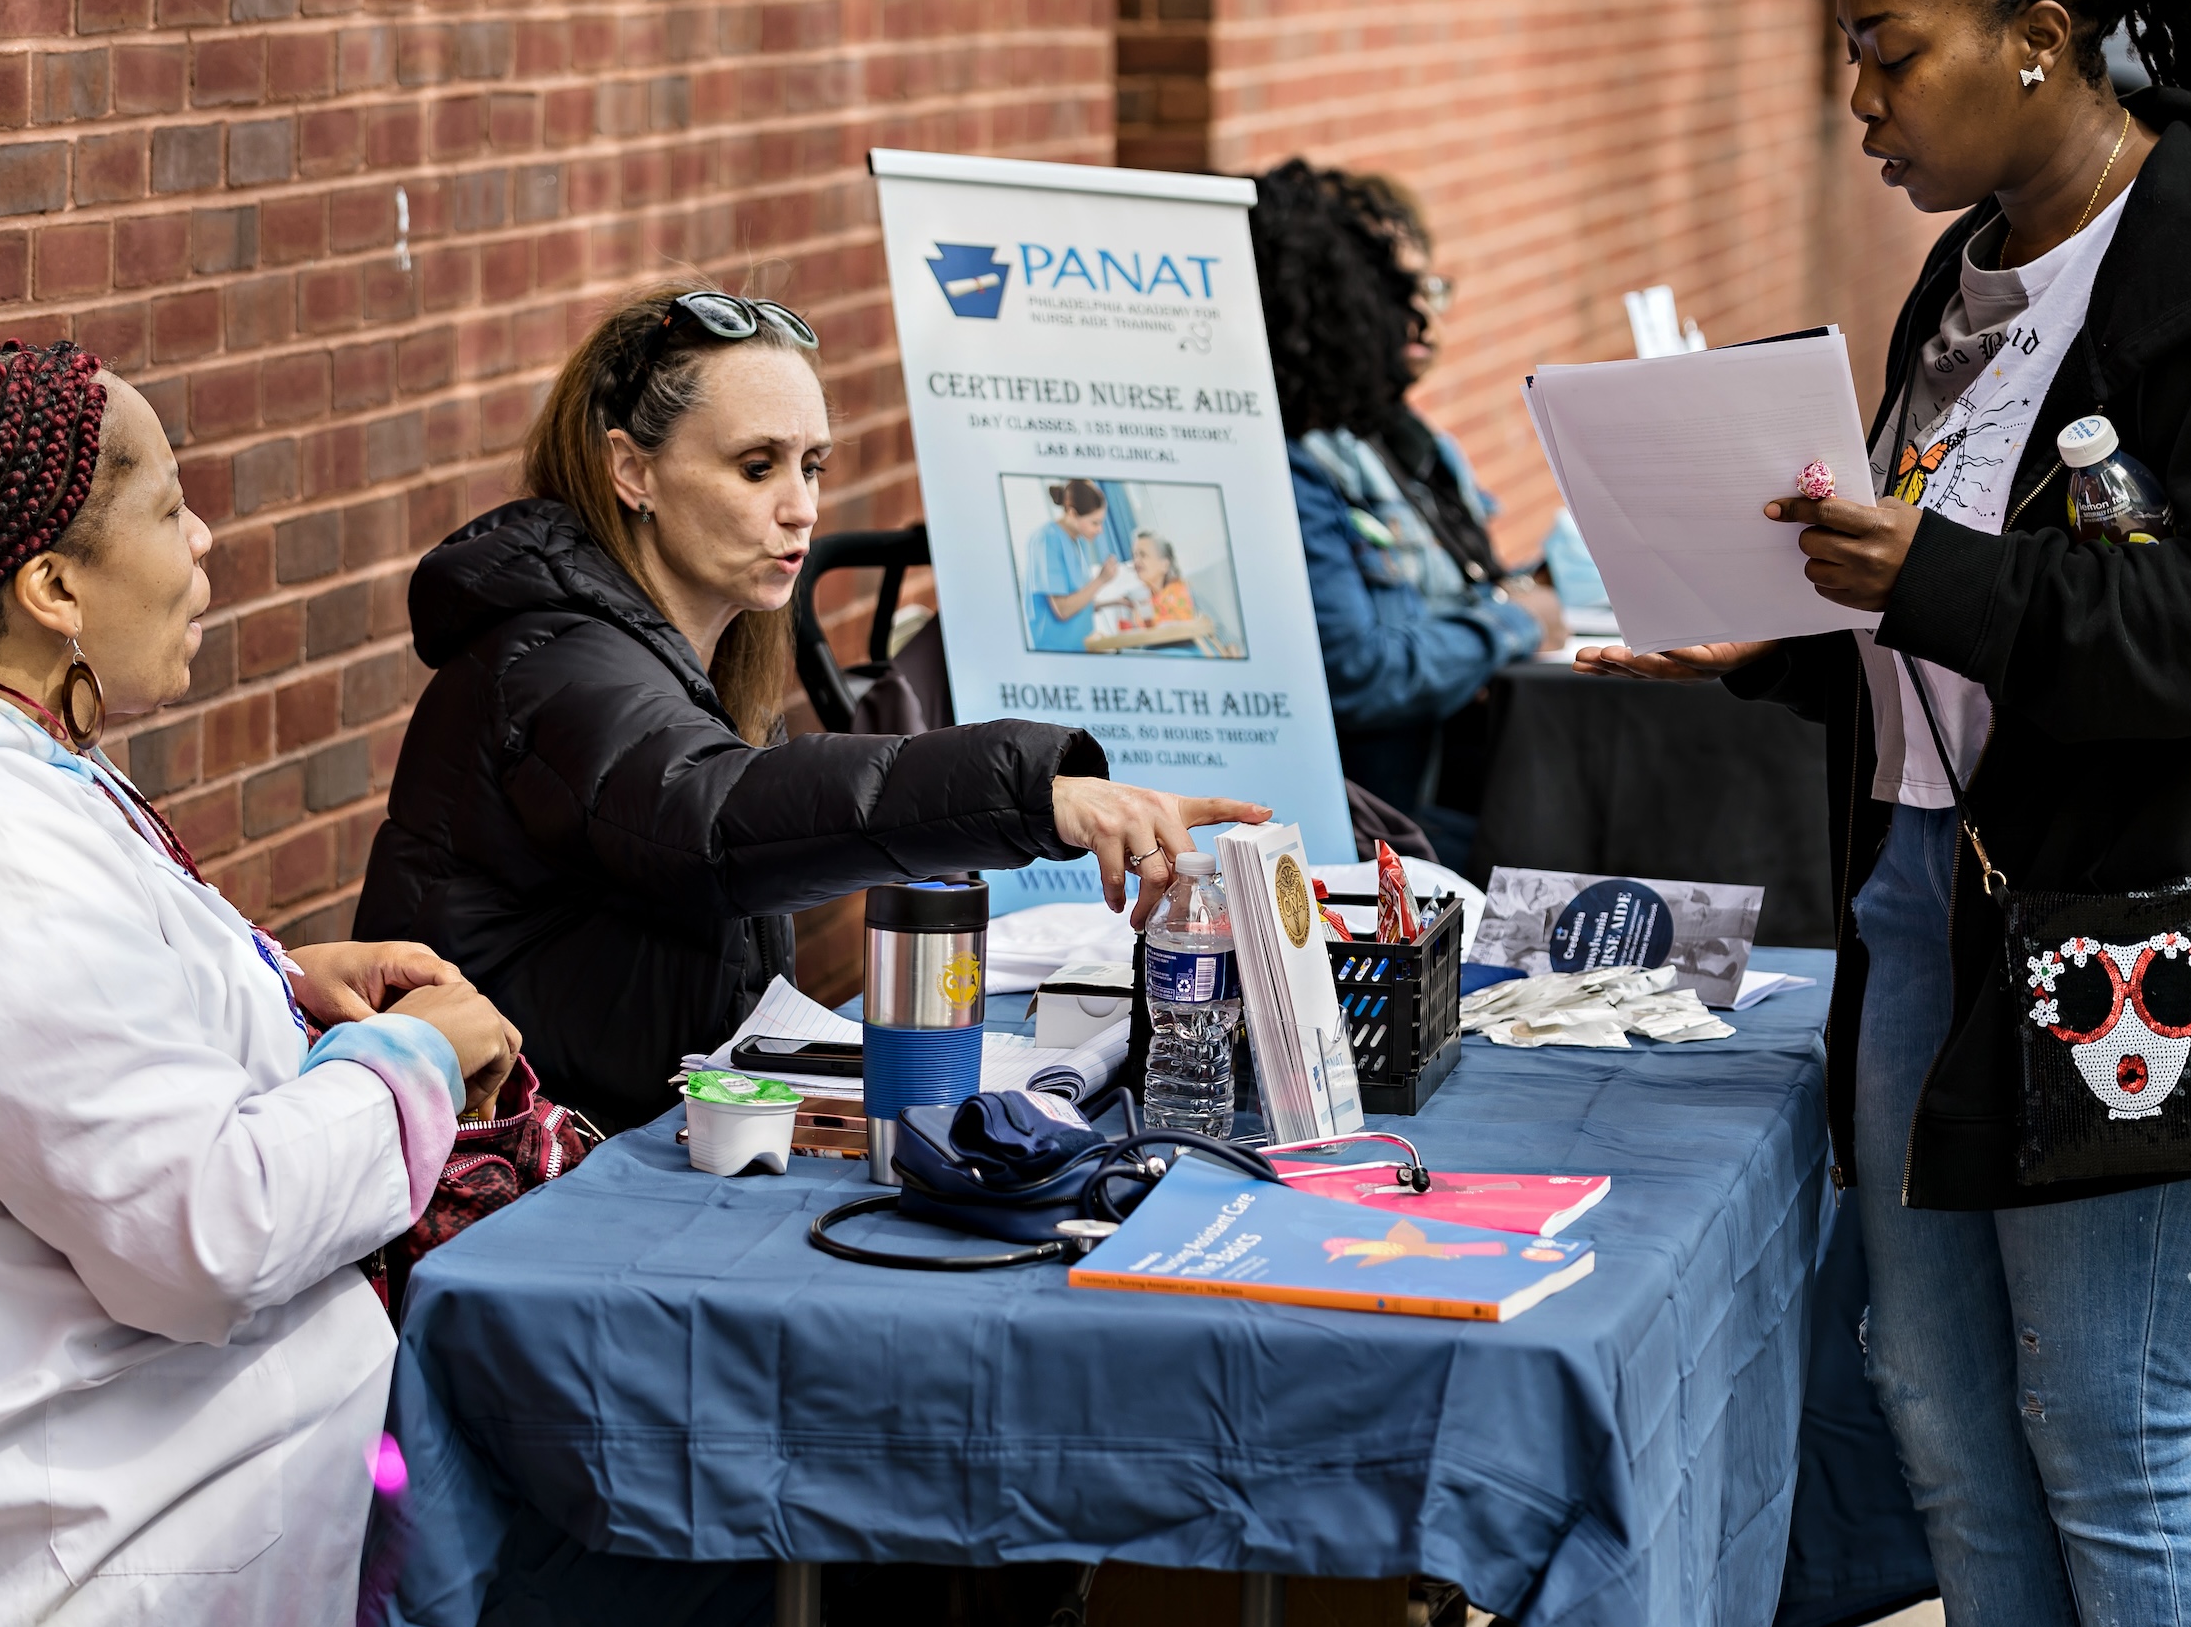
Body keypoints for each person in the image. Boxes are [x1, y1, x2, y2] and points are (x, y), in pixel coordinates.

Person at [1579, 0, 2191, 1627]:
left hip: (2142, 929)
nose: (1858, 98)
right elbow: (1963, 623)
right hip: (1930, 903)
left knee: (2112, 1428)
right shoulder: (1973, 276)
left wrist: (1937, 585)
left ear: (2042, 37)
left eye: (1890, 51)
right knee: (1944, 1418)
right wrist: (1791, 645)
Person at [0, 343, 524, 1627]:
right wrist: (410, 1062)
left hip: (117, 1432)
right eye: (171, 507)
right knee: (624, 1499)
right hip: (67, 1520)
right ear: (52, 586)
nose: (204, 544)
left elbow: (54, 1061)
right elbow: (203, 1231)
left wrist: (275, 982)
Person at [355, 288, 1269, 1133]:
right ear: (631, 470)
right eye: (756, 468)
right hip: (520, 1181)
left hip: (651, 1138)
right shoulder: (552, 661)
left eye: (812, 465)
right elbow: (716, 815)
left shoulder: (681, 653)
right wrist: (1043, 794)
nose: (802, 509)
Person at [1252, 161, 1562, 856]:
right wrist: (1509, 626)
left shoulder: (1417, 443)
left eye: (1427, 288)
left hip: (1455, 783)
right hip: (1378, 833)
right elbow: (1358, 670)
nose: (1417, 315)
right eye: (1393, 291)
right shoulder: (1299, 459)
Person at [1024, 478, 1120, 651]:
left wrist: (1116, 602)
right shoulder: (1046, 540)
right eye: (1094, 523)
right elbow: (1063, 610)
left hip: (1082, 646)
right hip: (1057, 652)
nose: (1100, 530)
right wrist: (1101, 580)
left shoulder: (1078, 541)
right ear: (1072, 513)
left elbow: (1079, 601)